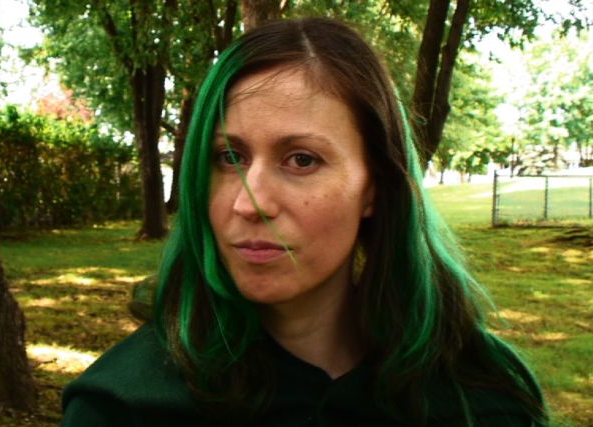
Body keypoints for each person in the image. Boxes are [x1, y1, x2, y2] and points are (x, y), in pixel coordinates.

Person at [61, 17, 548, 427]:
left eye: (301, 160)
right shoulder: (125, 407)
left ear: (374, 188)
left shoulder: (479, 397)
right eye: (230, 157)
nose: (250, 203)